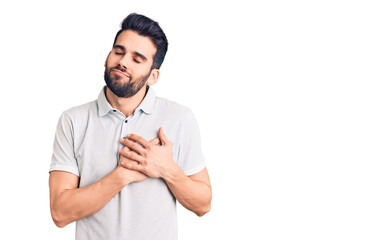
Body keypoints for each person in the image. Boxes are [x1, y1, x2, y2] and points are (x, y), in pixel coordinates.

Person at [49, 13, 212, 240]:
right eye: (118, 51)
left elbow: (203, 204)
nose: (123, 62)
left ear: (153, 76)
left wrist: (167, 169)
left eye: (137, 59)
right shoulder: (73, 120)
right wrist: (123, 175)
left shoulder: (179, 118)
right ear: (107, 57)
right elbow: (60, 213)